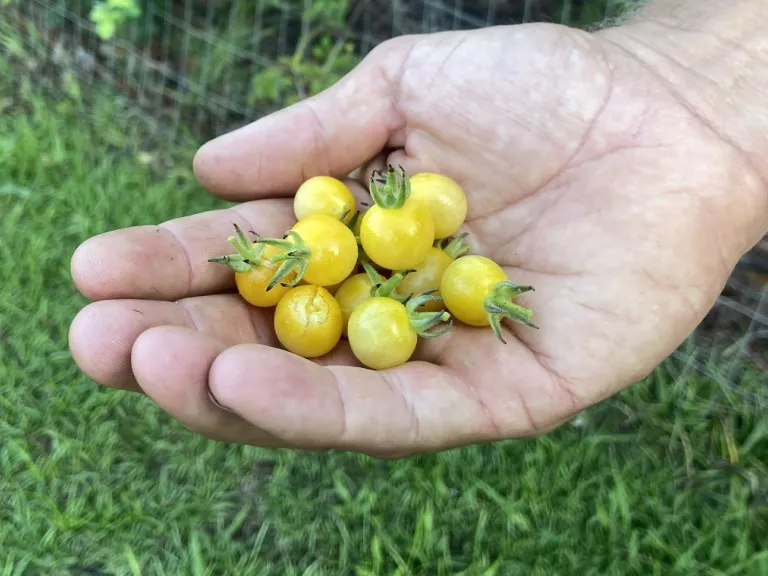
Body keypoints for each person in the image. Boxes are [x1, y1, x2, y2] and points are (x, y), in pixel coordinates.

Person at [68, 0, 768, 458]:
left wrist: (687, 93)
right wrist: (684, 83)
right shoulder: (351, 247)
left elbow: (380, 262)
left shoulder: (386, 246)